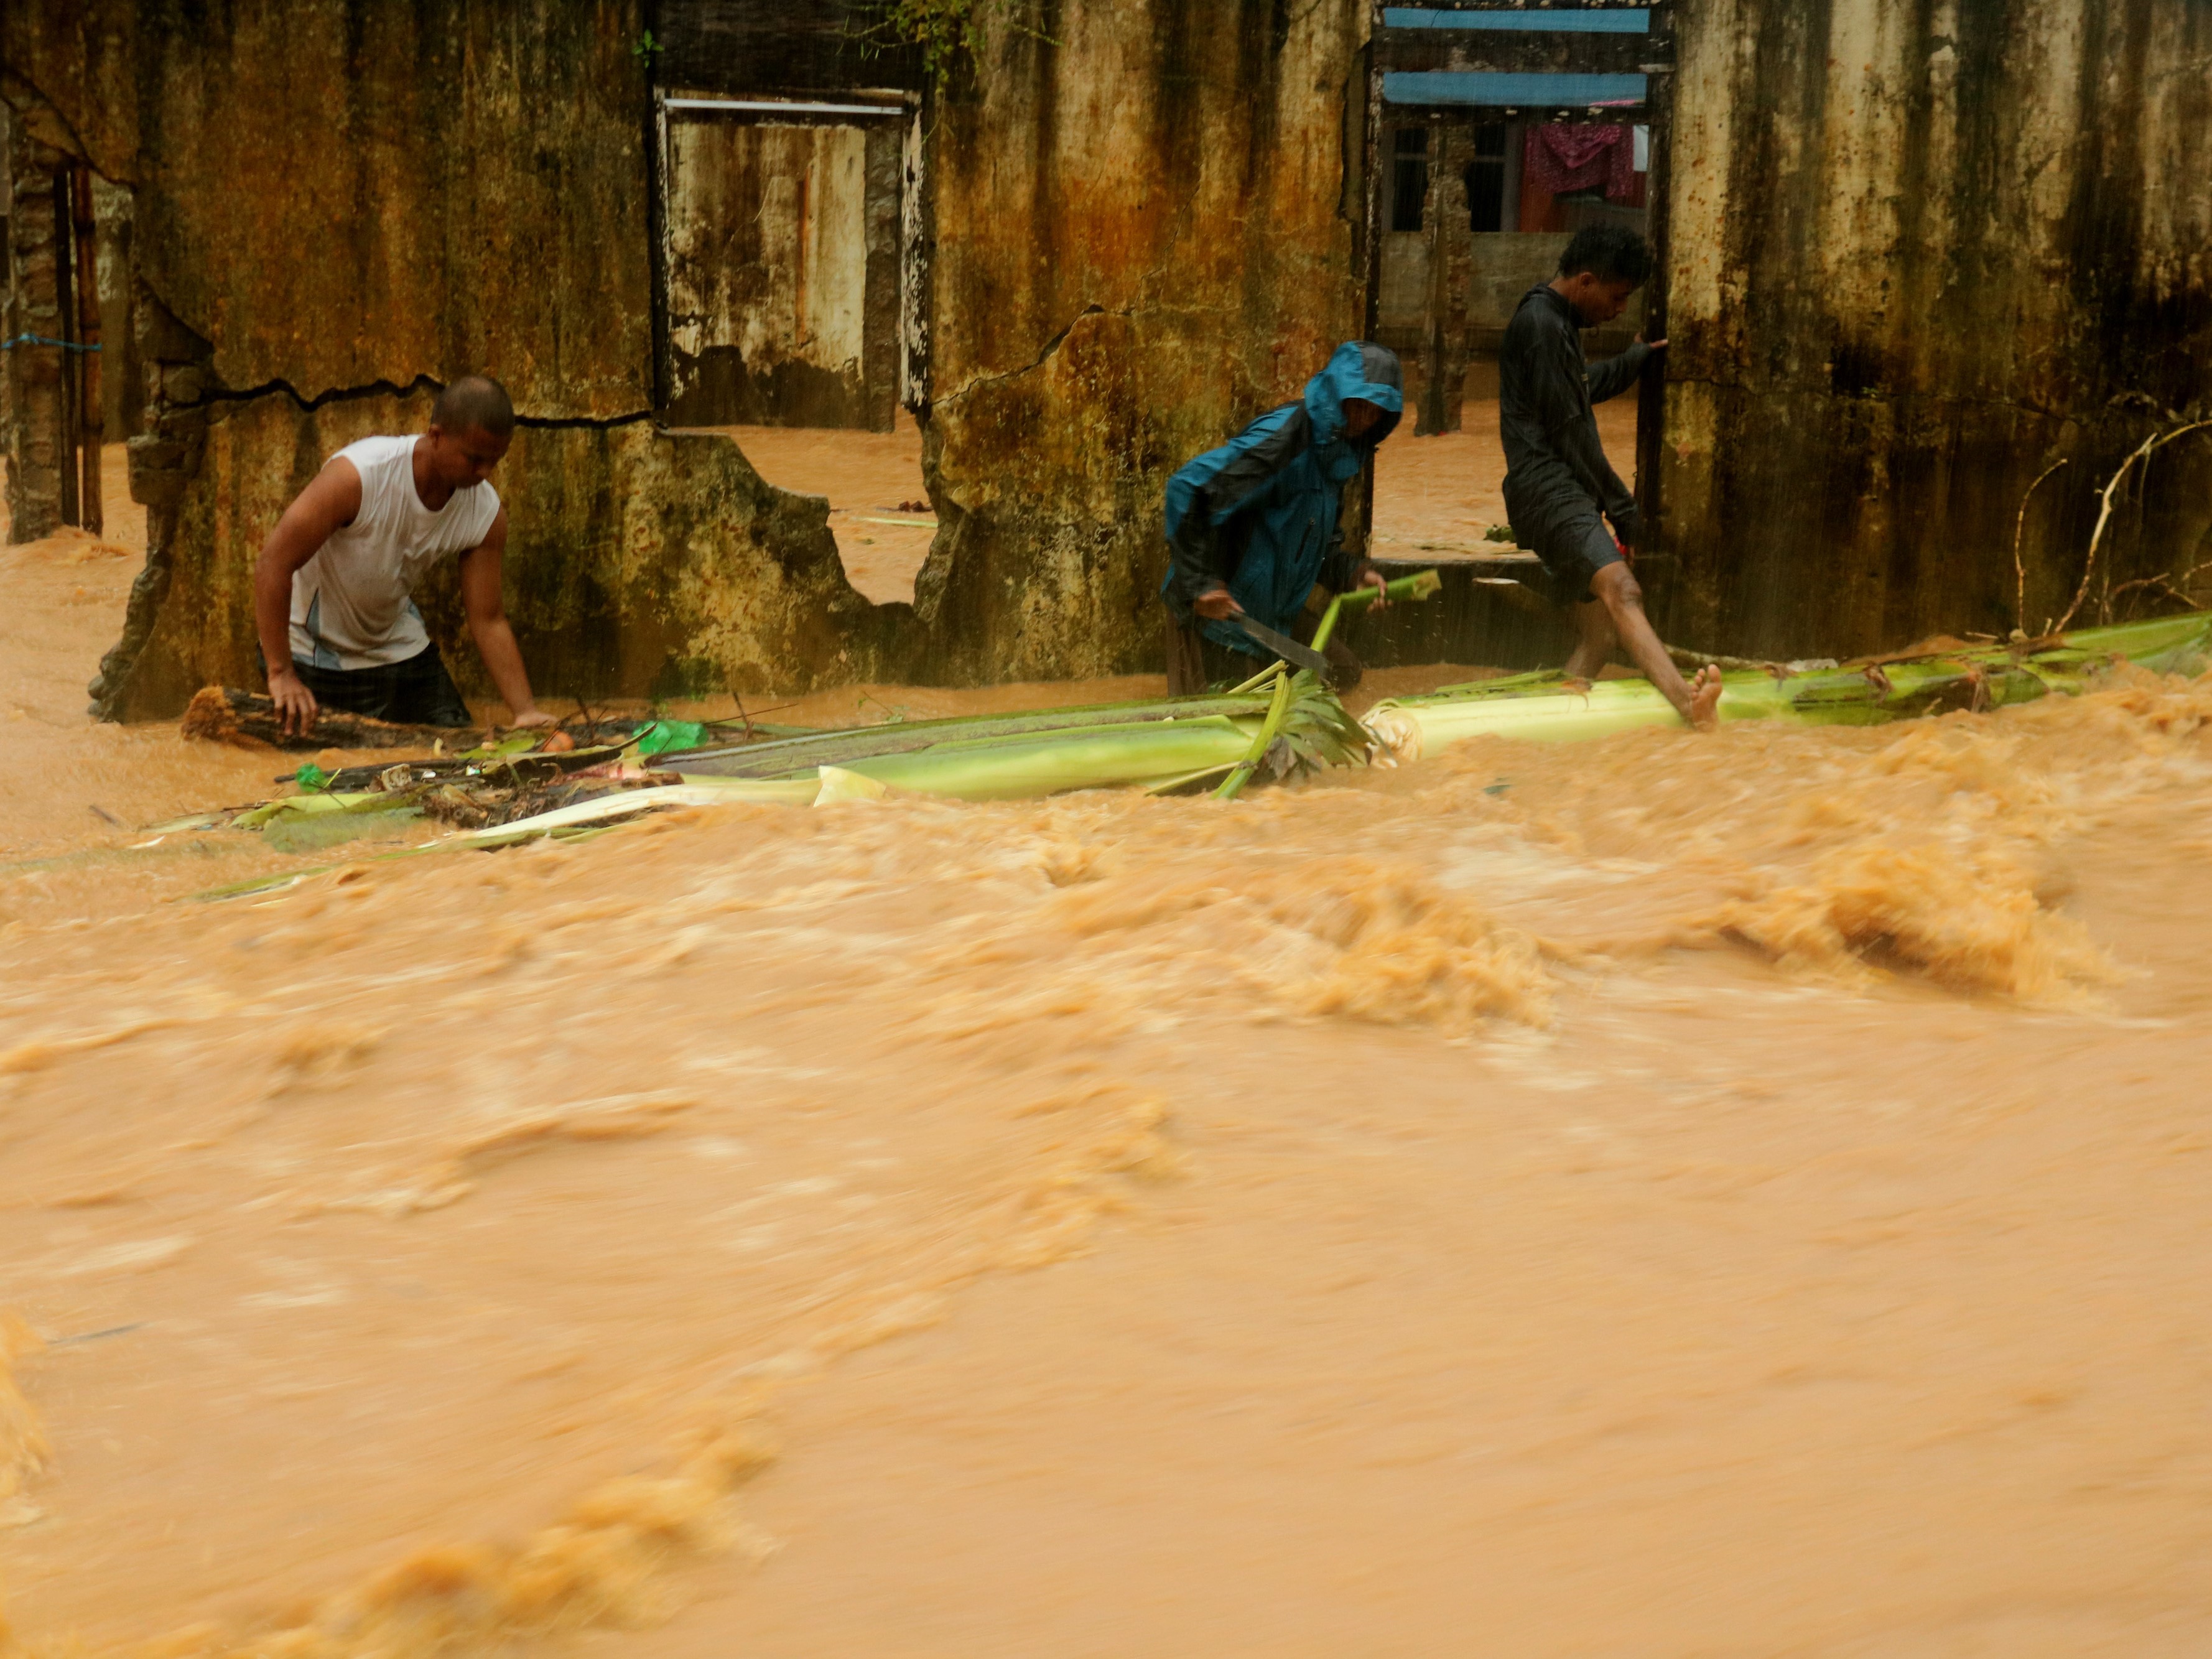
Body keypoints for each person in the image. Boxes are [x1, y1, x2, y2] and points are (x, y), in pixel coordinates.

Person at [1500, 225, 1722, 727]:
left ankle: (1556, 730)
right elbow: (1572, 430)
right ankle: (1691, 708)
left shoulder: (1552, 322)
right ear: (1585, 281)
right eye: (1617, 296)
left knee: (1600, 635)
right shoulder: (1542, 323)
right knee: (1623, 590)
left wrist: (1634, 361)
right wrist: (1623, 509)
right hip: (1547, 486)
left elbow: (1578, 389)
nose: (1620, 309)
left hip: (1551, 489)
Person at [253, 374, 554, 735]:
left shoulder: (486, 514)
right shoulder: (359, 477)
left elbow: (488, 618)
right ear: (436, 436)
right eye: (474, 459)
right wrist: (281, 673)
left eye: (495, 460)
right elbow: (274, 563)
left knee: (459, 755)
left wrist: (526, 712)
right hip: (312, 654)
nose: (484, 473)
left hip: (397, 653)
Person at [1160, 341, 1404, 695]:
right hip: (1219, 617)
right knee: (1231, 736)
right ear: (1337, 396)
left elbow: (1312, 547)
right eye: (1358, 405)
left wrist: (1352, 574)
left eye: (1376, 411)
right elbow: (1187, 489)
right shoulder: (1284, 440)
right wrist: (1201, 584)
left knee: (1341, 671)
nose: (1364, 419)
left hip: (1272, 616)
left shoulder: (1340, 458)